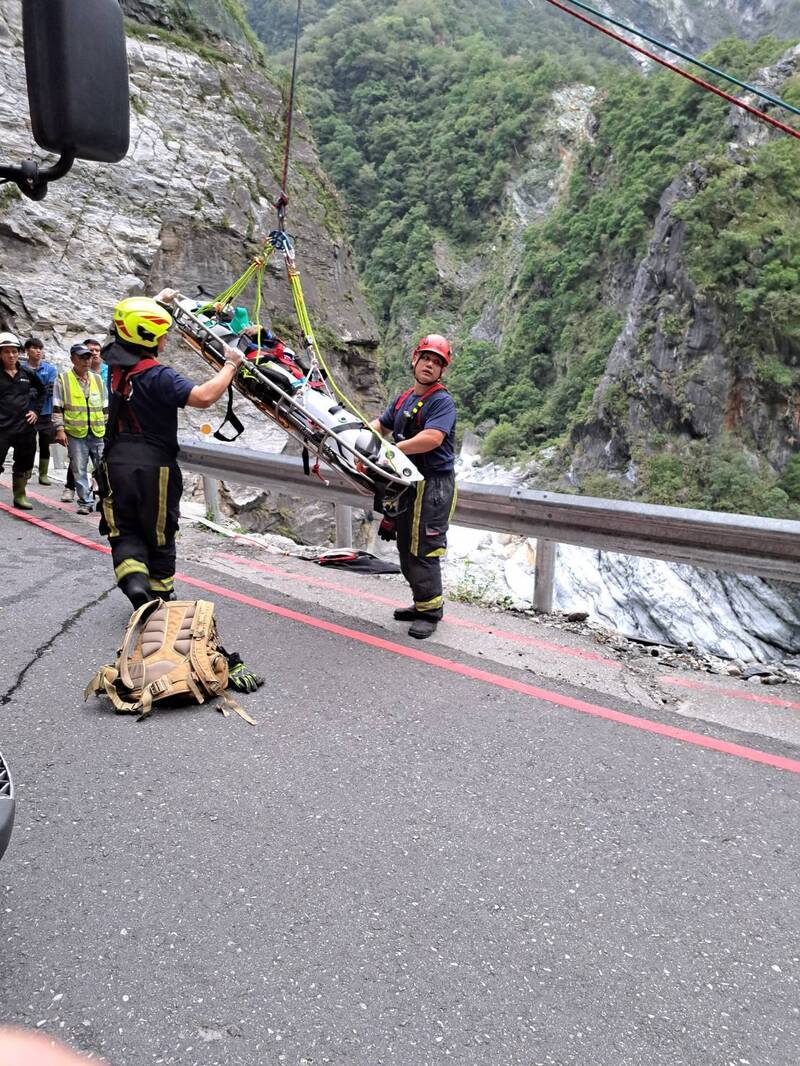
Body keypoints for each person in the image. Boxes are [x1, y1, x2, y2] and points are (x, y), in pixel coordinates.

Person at [99, 292, 245, 609]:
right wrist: (231, 365)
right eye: (162, 332)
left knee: (124, 528)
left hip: (116, 462)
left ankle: (134, 581)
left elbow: (126, 328)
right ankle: (161, 593)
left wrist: (158, 304)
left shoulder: (114, 366)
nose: (166, 338)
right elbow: (204, 396)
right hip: (155, 467)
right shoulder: (159, 376)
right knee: (160, 530)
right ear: (149, 337)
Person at [371, 334, 457, 640]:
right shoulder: (405, 398)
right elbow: (382, 425)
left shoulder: (441, 401)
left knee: (424, 548)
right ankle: (422, 603)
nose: (429, 365)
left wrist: (393, 450)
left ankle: (431, 612)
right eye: (426, 358)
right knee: (406, 546)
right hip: (408, 482)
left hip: (433, 486)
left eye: (437, 362)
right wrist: (364, 440)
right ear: (414, 359)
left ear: (442, 370)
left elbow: (433, 438)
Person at [53, 344, 108, 514]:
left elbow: (105, 407)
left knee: (103, 468)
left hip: (98, 432)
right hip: (76, 433)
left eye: (88, 357)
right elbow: (57, 407)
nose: (86, 361)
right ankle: (85, 502)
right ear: (72, 359)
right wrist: (60, 429)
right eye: (82, 357)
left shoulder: (97, 380)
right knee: (79, 469)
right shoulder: (63, 380)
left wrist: (108, 430)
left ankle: (105, 500)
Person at [0, 331, 45, 509]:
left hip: (24, 427)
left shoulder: (27, 372)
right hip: (2, 428)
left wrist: (35, 411)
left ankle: (19, 495)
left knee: (25, 462)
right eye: (6, 351)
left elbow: (42, 392)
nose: (11, 355)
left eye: (14, 351)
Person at [21, 336, 58, 484]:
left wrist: (33, 390)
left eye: (40, 348)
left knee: (45, 443)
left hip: (45, 412)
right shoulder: (21, 369)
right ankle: (27, 470)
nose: (38, 351)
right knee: (28, 443)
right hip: (27, 413)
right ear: (27, 351)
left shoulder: (50, 369)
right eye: (35, 348)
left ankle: (43, 474)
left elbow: (50, 389)